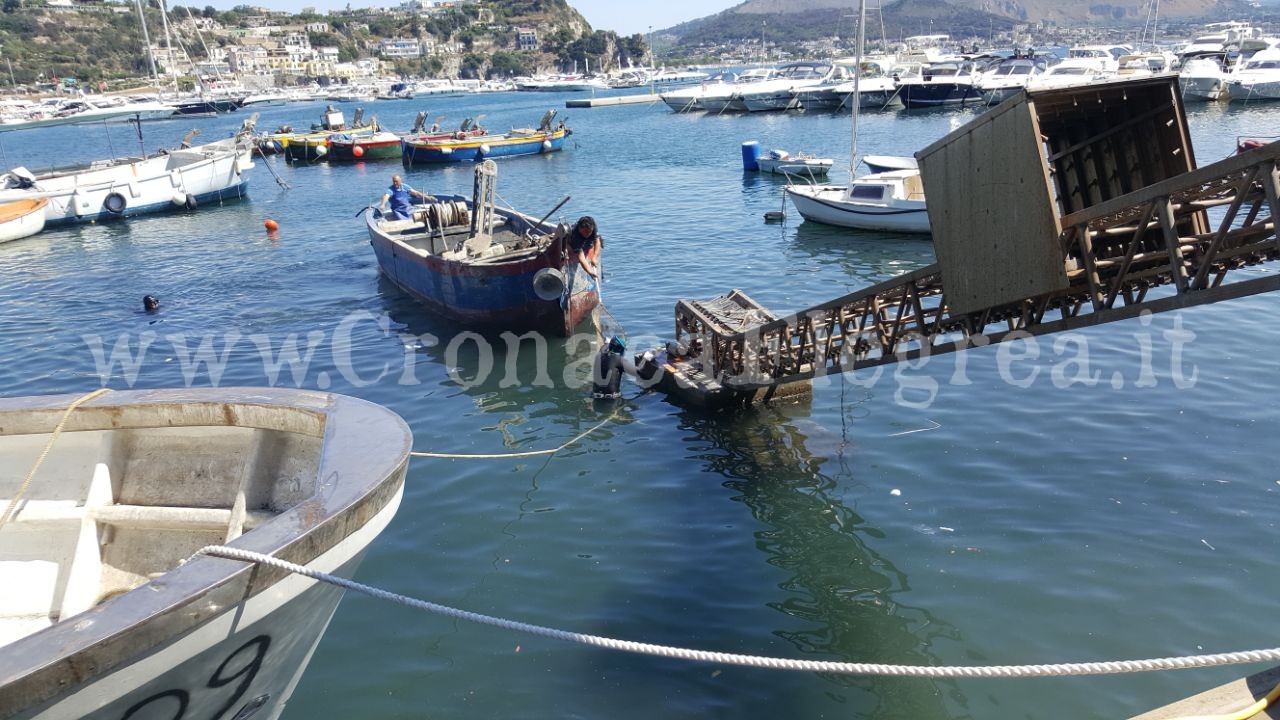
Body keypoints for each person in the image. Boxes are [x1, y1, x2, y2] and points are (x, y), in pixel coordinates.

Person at [592, 335, 636, 401]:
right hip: (612, 399)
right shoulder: (618, 359)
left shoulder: (598, 356)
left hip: (595, 397)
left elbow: (603, 348)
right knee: (636, 407)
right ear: (621, 349)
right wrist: (646, 359)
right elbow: (637, 372)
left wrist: (607, 344)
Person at [569, 215, 602, 280]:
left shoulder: (591, 223)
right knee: (571, 249)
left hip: (587, 239)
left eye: (590, 232)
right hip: (575, 241)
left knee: (598, 239)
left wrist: (594, 257)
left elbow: (597, 240)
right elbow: (581, 256)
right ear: (579, 228)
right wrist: (589, 271)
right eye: (585, 232)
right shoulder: (575, 236)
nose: (588, 234)